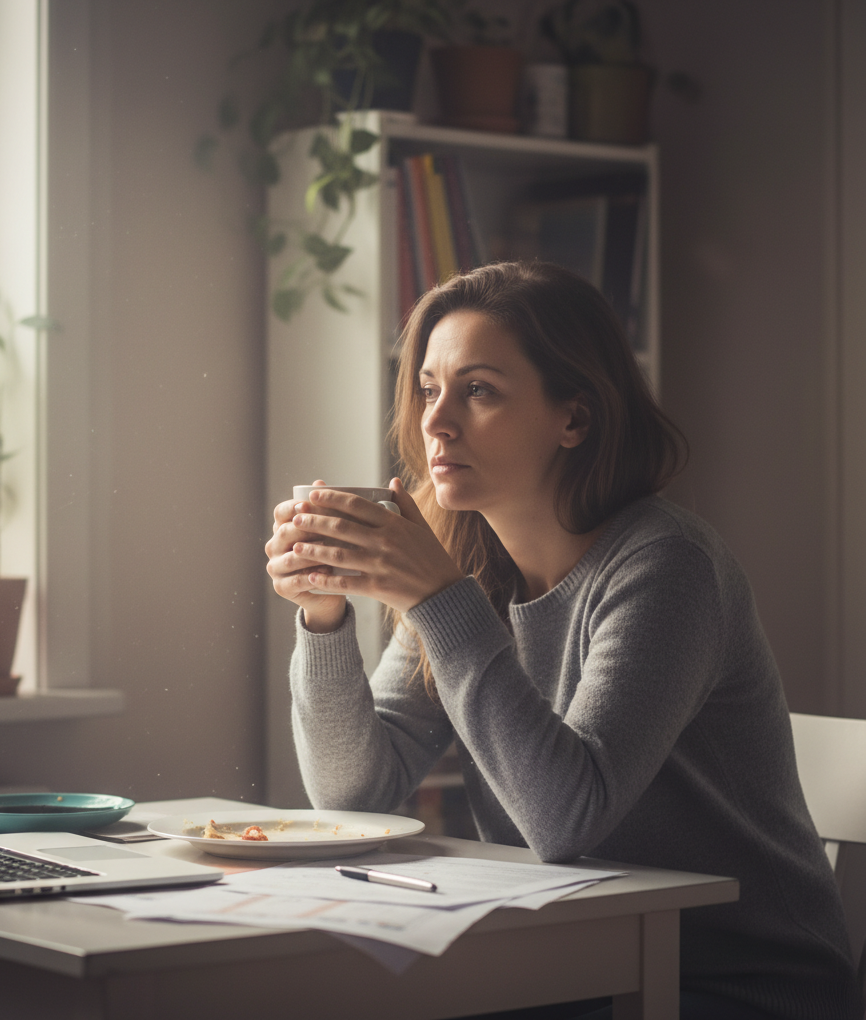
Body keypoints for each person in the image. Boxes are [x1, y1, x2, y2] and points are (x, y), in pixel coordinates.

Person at [264, 261, 859, 1020]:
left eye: (477, 391)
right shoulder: (466, 564)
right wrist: (323, 618)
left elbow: (565, 817)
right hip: (570, 965)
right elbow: (355, 792)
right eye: (427, 389)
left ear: (573, 420)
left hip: (735, 983)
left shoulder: (667, 567)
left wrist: (438, 601)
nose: (435, 423)